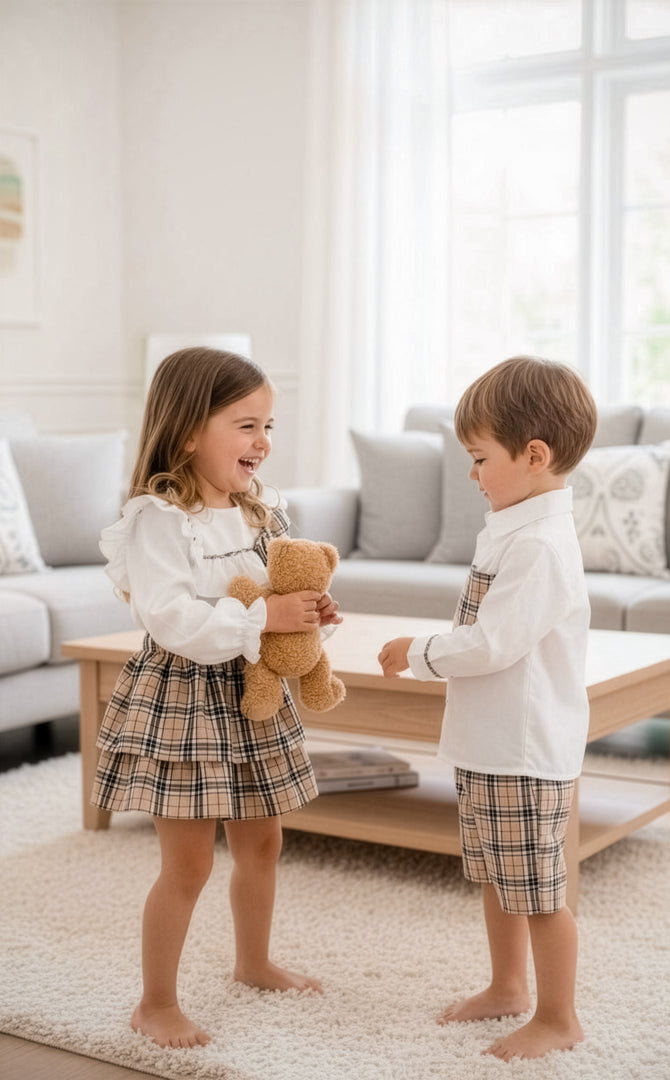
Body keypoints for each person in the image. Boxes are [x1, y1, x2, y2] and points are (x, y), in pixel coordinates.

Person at [92, 347, 341, 1050]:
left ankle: (253, 961)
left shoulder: (261, 512)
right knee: (189, 862)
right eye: (246, 425)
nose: (263, 442)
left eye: (270, 426)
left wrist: (304, 610)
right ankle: (156, 1002)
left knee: (264, 841)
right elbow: (169, 618)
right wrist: (265, 620)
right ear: (189, 431)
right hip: (187, 695)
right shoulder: (159, 518)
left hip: (252, 688)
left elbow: (268, 592)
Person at [378, 355, 597, 1062]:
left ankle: (559, 1016)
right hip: (491, 741)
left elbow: (494, 644)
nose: (471, 474)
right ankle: (508, 986)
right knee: (500, 876)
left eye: (479, 459)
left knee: (537, 889)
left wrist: (419, 650)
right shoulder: (510, 524)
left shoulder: (539, 545)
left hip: (525, 749)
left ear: (534, 457)